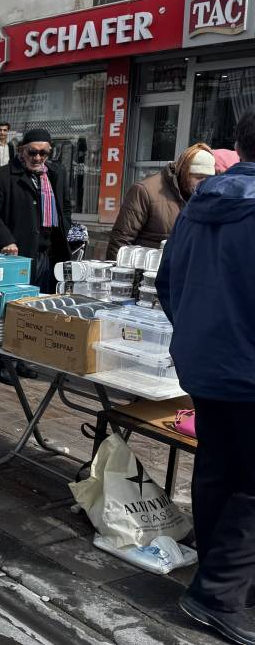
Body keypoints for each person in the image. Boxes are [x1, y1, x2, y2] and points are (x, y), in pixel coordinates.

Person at [157, 110, 255, 645]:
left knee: (220, 468)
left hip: (205, 363)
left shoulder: (201, 204)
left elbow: (169, 284)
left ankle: (221, 575)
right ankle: (218, 593)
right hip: (243, 366)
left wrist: (199, 337)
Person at [0, 128, 73, 385]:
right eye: (33, 152)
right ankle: (4, 362)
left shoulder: (56, 173)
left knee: (36, 309)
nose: (38, 157)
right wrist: (6, 239)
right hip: (18, 254)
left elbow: (64, 205)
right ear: (22, 151)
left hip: (49, 251)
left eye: (44, 153)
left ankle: (23, 358)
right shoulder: (1, 176)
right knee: (12, 310)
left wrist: (65, 224)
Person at [107, 144, 214, 259]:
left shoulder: (207, 196)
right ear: (183, 172)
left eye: (208, 178)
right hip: (146, 271)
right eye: (198, 177)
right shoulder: (145, 191)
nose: (203, 183)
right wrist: (120, 274)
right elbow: (120, 243)